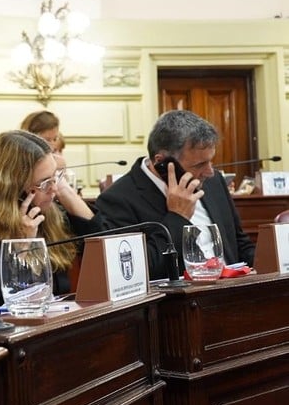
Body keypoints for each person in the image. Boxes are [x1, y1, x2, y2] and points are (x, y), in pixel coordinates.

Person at [0, 130, 104, 297]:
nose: (54, 189)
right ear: (13, 187)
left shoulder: (45, 208)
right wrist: (17, 247)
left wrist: (64, 189)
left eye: (56, 177)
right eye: (45, 182)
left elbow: (101, 248)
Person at [95, 109, 255, 279]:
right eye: (199, 165)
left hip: (233, 287)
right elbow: (138, 271)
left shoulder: (214, 182)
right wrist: (178, 216)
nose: (209, 172)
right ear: (161, 162)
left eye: (210, 161)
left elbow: (239, 243)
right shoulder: (118, 199)